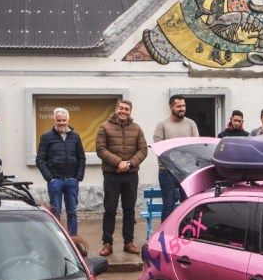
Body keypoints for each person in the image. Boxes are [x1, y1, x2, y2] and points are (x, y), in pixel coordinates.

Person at [96, 99, 148, 256]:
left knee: (129, 210)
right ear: (116, 109)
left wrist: (130, 164)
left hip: (131, 175)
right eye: (121, 108)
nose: (123, 111)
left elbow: (143, 150)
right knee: (110, 209)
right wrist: (118, 162)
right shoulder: (104, 127)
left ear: (130, 111)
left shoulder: (136, 128)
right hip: (111, 174)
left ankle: (128, 242)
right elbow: (100, 149)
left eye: (126, 109)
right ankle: (107, 243)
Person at [36, 108, 87, 236]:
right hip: (55, 181)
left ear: (68, 120)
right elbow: (40, 159)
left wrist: (78, 177)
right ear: (54, 120)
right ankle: (58, 240)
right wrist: (49, 178)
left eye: (64, 120)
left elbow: (81, 158)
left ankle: (73, 240)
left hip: (72, 181)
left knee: (72, 212)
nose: (61, 123)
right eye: (58, 120)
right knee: (56, 213)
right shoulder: (46, 137)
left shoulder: (75, 137)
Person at [153, 94, 199, 220]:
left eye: (184, 106)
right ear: (171, 107)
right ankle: (164, 236)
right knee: (168, 205)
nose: (182, 108)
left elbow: (196, 147)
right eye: (179, 106)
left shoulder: (191, 124)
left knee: (188, 205)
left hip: (187, 172)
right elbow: (160, 150)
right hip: (167, 171)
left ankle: (187, 234)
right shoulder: (161, 125)